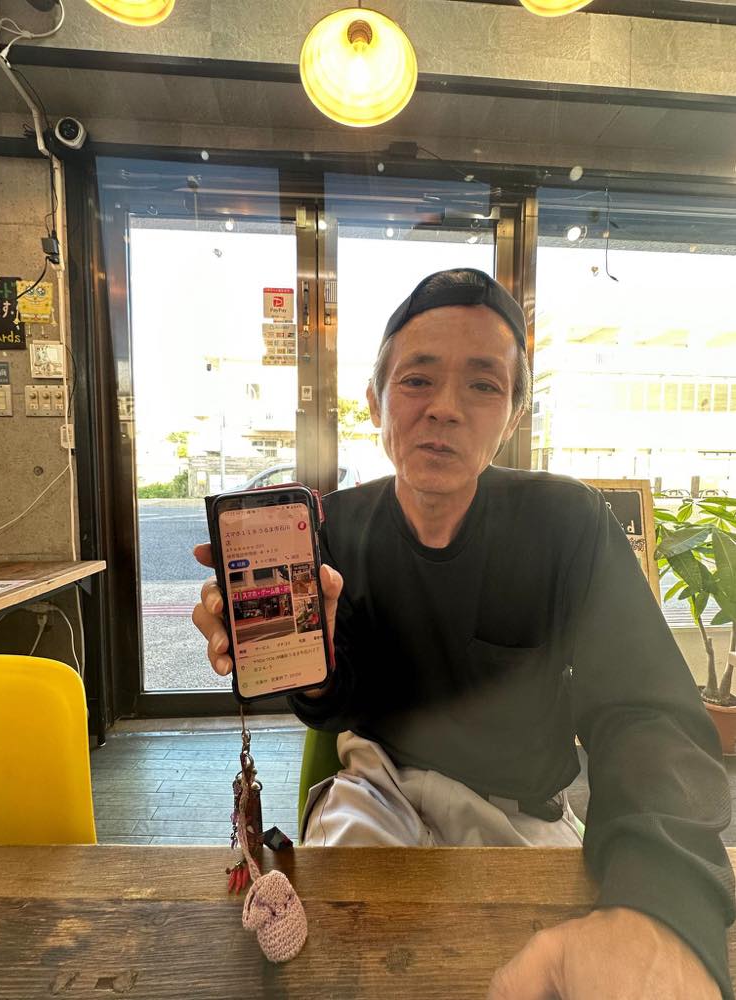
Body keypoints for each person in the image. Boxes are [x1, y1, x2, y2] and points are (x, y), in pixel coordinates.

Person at [192, 268, 735, 999]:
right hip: (377, 790)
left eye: (483, 384)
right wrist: (298, 661)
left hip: (518, 812)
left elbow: (645, 712)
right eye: (417, 380)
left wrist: (659, 905)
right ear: (375, 401)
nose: (444, 409)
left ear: (513, 414)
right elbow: (336, 701)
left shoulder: (567, 524)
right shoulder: (336, 526)